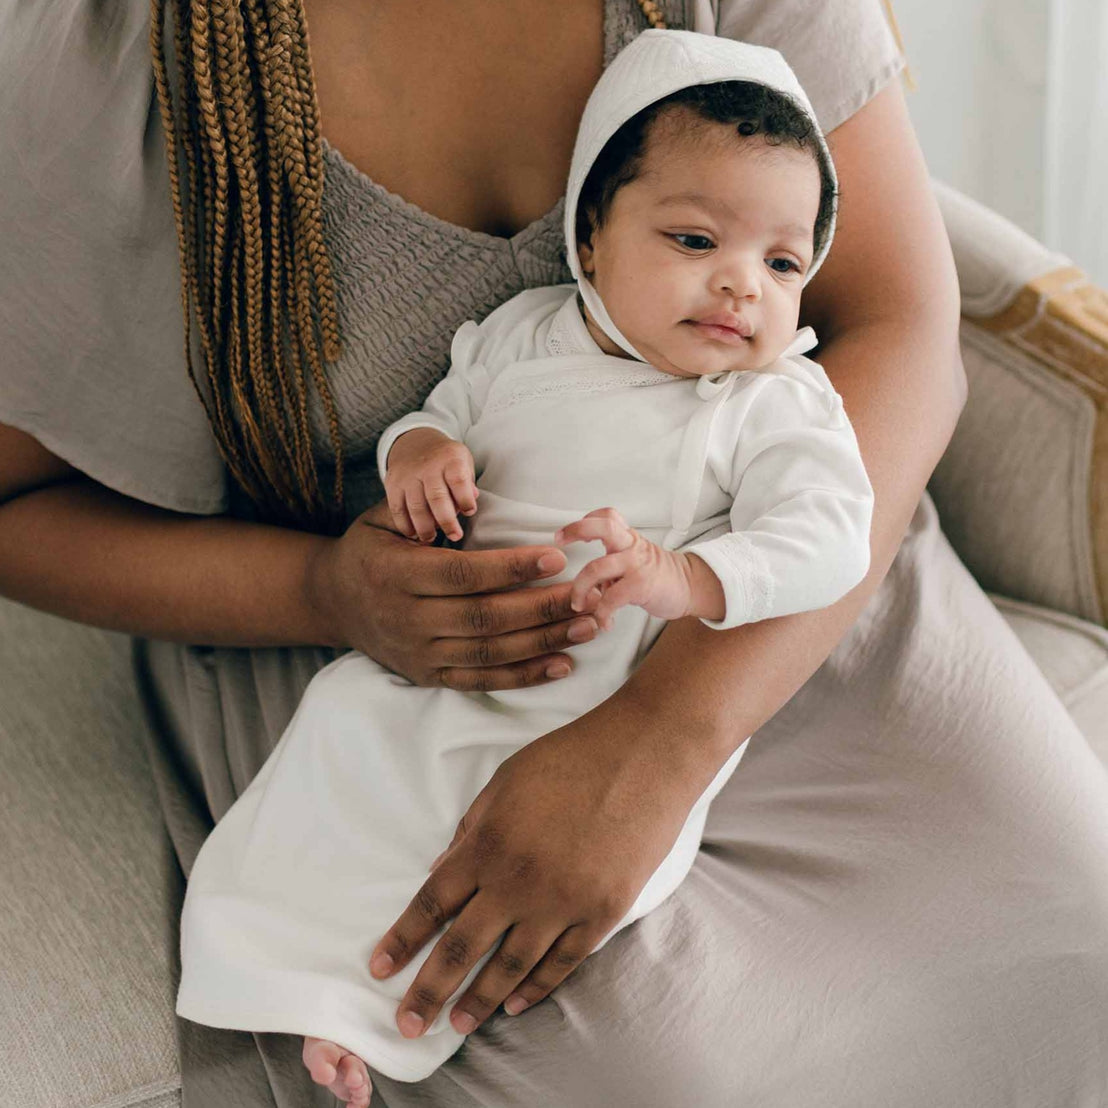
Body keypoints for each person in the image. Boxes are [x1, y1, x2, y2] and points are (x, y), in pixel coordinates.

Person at [4, 1, 1108, 1106]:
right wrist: (326, 590)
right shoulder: (113, 56)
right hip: (430, 683)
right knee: (656, 1077)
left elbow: (901, 326)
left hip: (790, 594)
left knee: (1079, 959)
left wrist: (660, 737)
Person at [173, 32, 875, 1103]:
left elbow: (829, 535)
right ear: (591, 238)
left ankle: (399, 1014)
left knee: (511, 847)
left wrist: (688, 579)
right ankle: (307, 977)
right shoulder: (519, 335)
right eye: (694, 238)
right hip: (446, 651)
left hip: (613, 686)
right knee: (344, 761)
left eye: (784, 264)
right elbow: (436, 416)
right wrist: (421, 457)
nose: (742, 284)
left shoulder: (773, 402)